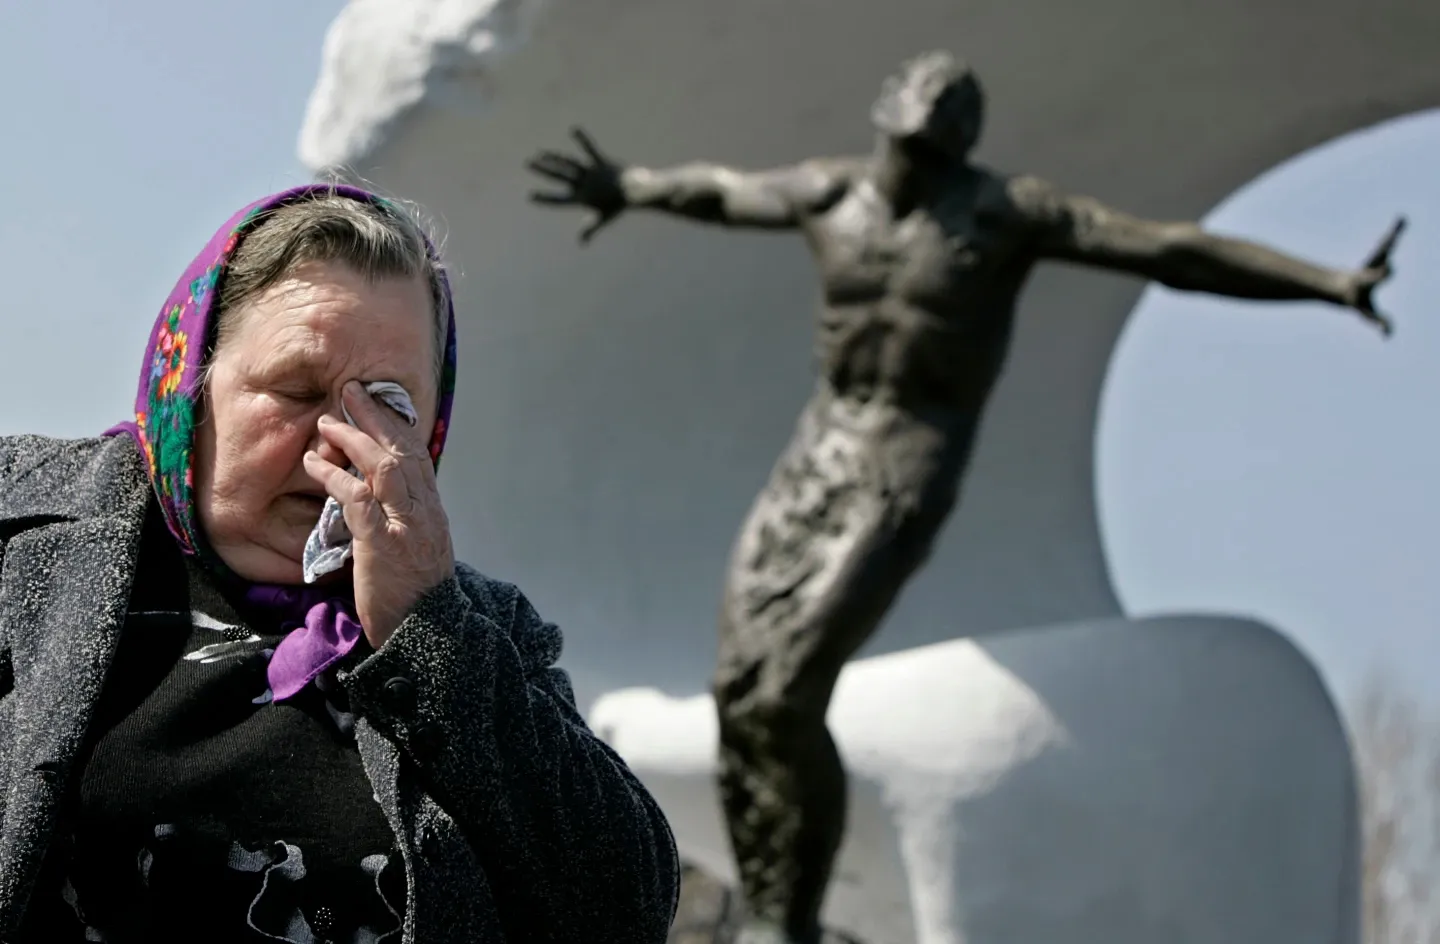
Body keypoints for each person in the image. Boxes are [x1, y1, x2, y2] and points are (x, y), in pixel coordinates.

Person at [525, 50, 1403, 944]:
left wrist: (1327, 282)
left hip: (906, 461)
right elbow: (720, 191)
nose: (921, 163)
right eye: (910, 144)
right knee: (742, 692)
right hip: (817, 459)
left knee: (788, 688)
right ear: (885, 122)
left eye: (939, 148)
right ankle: (770, 902)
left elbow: (1169, 249)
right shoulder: (834, 194)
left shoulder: (1003, 214)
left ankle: (783, 921)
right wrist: (628, 185)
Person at [0, 183, 680, 943]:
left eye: (390, 403)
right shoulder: (25, 538)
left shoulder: (483, 631)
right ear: (189, 387)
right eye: (295, 389)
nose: (338, 441)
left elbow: (624, 909)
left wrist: (427, 634)